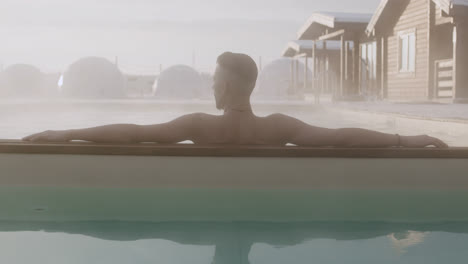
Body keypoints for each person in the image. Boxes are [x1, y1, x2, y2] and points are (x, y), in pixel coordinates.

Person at [23, 52, 448, 148]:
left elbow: (135, 134)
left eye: (214, 82)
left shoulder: (200, 126)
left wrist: (69, 132)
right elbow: (339, 137)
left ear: (224, 89)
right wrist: (406, 141)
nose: (211, 87)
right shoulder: (278, 127)